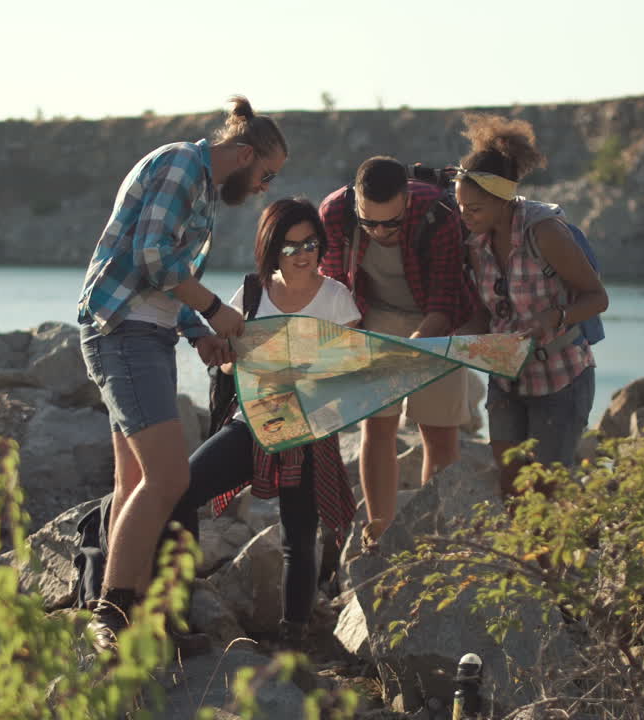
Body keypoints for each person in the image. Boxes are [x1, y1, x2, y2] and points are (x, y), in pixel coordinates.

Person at [77, 96, 286, 650]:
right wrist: (216, 310)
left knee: (134, 483)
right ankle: (111, 616)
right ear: (245, 155)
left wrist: (197, 333)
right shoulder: (181, 165)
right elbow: (153, 258)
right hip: (124, 334)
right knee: (169, 480)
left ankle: (140, 626)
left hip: (147, 335)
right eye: (266, 175)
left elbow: (170, 278)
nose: (263, 189)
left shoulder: (200, 184)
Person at [171, 197, 360, 646]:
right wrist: (228, 358)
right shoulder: (252, 294)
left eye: (310, 243)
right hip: (251, 422)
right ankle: (176, 610)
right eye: (290, 246)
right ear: (272, 250)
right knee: (180, 491)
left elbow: (352, 369)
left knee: (300, 534)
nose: (302, 254)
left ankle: (294, 635)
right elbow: (228, 364)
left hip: (309, 430)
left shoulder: (336, 298)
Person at [317, 158, 475, 548]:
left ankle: (437, 539)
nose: (380, 232)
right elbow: (335, 289)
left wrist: (416, 348)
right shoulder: (334, 213)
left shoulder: (438, 214)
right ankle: (380, 535)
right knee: (377, 426)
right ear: (356, 201)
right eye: (369, 223)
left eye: (392, 223)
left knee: (439, 433)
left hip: (433, 323)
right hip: (372, 315)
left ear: (406, 200)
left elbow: (444, 301)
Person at [452, 113, 608, 500]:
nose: (464, 216)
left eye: (474, 208)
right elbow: (488, 314)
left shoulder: (545, 233)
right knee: (511, 483)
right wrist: (454, 340)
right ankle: (518, 544)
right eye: (460, 206)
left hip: (562, 377)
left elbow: (597, 298)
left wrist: (554, 317)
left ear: (502, 200)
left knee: (548, 489)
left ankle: (556, 545)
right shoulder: (475, 243)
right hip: (507, 378)